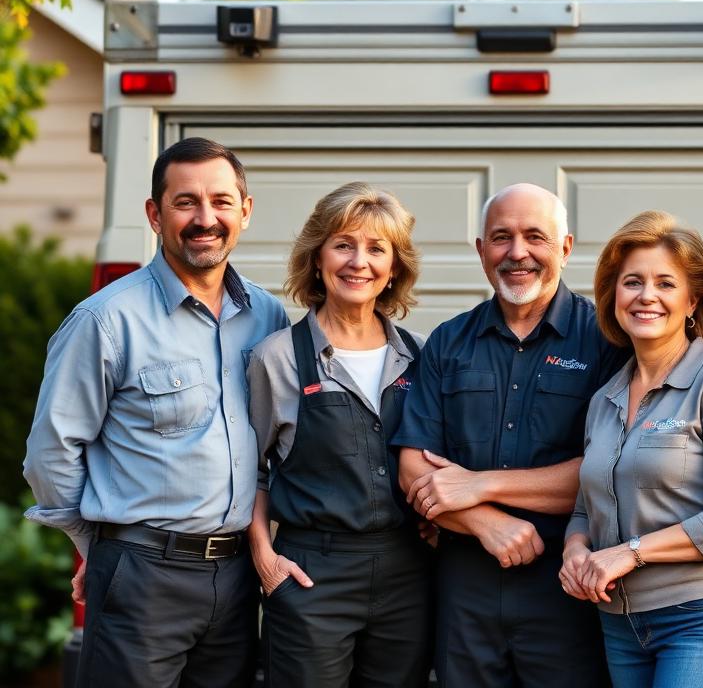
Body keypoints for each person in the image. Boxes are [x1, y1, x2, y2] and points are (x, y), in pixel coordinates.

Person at [23, 137, 289, 687]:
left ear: (245, 210)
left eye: (220, 201)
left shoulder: (267, 315)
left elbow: (273, 444)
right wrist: (93, 549)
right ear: (154, 213)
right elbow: (51, 454)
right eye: (185, 202)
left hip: (237, 579)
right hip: (142, 577)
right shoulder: (103, 321)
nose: (205, 218)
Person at [392, 183, 627, 688]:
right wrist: (484, 522)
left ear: (564, 247)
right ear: (481, 250)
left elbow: (609, 471)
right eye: (501, 237)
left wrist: (481, 486)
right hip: (464, 587)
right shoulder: (447, 343)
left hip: (569, 583)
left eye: (534, 237)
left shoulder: (608, 340)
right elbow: (413, 469)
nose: (517, 253)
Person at [560, 211, 703, 688]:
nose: (646, 296)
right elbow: (584, 505)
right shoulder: (605, 399)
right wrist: (576, 550)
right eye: (632, 282)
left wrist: (630, 553)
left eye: (665, 283)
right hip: (619, 622)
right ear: (613, 296)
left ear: (693, 300)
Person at [246, 182, 432, 687]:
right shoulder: (277, 358)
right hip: (312, 574)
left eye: (377, 249)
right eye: (344, 244)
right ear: (318, 257)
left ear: (395, 267)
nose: (359, 262)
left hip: (406, 572)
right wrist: (264, 557)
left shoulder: (421, 355)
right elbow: (250, 471)